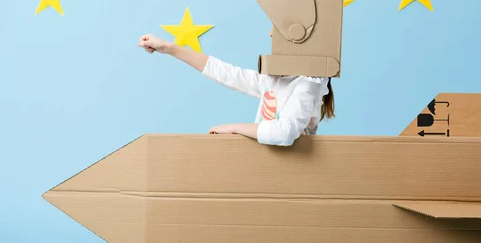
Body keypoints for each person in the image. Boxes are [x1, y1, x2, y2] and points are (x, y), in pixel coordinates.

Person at [137, 32, 335, 147]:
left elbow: (283, 133)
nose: (271, 33)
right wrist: (169, 48)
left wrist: (231, 128)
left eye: (279, 28)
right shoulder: (277, 78)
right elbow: (228, 74)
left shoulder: (310, 82)